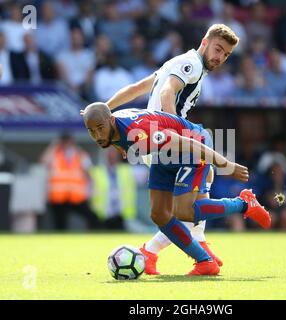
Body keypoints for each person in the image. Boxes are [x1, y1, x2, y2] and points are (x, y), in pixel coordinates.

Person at [105, 24, 239, 274]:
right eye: (218, 49)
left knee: (188, 198)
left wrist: (105, 106)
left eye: (226, 55)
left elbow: (136, 89)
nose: (220, 57)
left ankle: (185, 250)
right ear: (204, 42)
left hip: (154, 142)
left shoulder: (176, 62)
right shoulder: (193, 64)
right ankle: (236, 211)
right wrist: (175, 130)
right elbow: (168, 92)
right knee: (183, 206)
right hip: (163, 141)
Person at [82, 102, 271, 276]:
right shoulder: (109, 126)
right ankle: (205, 262)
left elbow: (188, 143)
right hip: (164, 154)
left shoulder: (141, 132)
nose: (97, 135)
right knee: (159, 214)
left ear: (112, 120)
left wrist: (224, 164)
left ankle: (243, 203)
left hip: (193, 146)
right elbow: (106, 119)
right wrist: (121, 147)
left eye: (100, 129)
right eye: (92, 131)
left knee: (184, 211)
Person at [40, 132, 100, 230]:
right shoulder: (54, 154)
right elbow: (43, 162)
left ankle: (95, 233)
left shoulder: (80, 154)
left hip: (76, 196)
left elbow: (88, 171)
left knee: (91, 217)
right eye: (64, 141)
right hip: (58, 197)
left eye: (68, 141)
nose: (66, 144)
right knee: (60, 224)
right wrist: (53, 146)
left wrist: (92, 189)